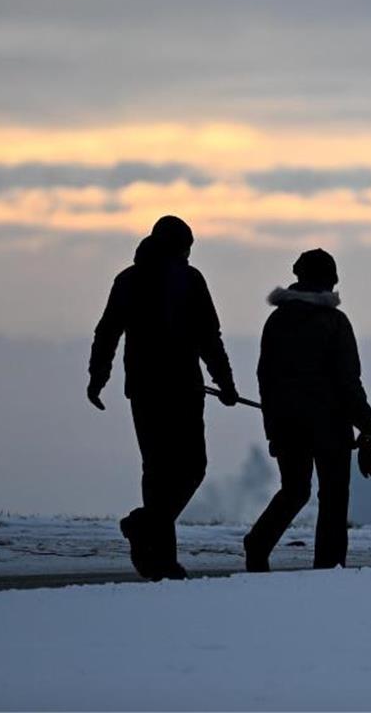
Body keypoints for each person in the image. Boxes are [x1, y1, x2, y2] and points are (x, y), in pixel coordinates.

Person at [87, 215, 238, 581]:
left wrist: (97, 378)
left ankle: (160, 560)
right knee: (192, 467)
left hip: (142, 389)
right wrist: (226, 383)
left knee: (157, 472)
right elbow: (209, 337)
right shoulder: (190, 279)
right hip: (183, 388)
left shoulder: (127, 279)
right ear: (181, 247)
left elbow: (107, 332)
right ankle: (147, 529)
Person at [244, 248, 371, 572]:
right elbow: (349, 381)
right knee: (333, 497)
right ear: (328, 281)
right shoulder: (334, 322)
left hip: (286, 424)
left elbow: (266, 378)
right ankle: (329, 567)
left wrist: (272, 427)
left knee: (294, 490)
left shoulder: (276, 321)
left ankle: (259, 542)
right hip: (330, 427)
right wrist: (368, 426)